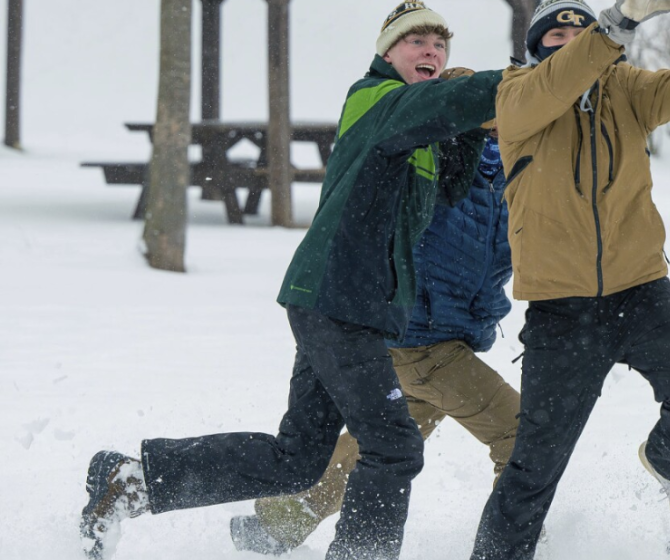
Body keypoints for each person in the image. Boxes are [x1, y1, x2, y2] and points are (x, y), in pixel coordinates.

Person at [78, 3, 503, 559]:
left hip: (345, 305)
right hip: (339, 300)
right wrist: (515, 84)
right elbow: (449, 102)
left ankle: (130, 481)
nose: (432, 52)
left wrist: (469, 129)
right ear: (386, 53)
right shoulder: (376, 99)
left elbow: (448, 186)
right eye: (417, 41)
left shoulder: (416, 128)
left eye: (440, 45)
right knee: (394, 446)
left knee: (298, 458)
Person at [469, 0, 670, 558]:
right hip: (560, 312)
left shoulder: (625, 89)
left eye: (579, 27)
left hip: (641, 292)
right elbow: (553, 87)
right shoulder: (516, 93)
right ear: (538, 43)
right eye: (556, 30)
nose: (569, 35)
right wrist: (614, 23)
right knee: (535, 466)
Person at [229, 130, 520, 555]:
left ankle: (279, 524)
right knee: (521, 435)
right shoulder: (441, 157)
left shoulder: (524, 170)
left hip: (445, 340)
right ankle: (512, 547)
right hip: (422, 342)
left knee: (384, 444)